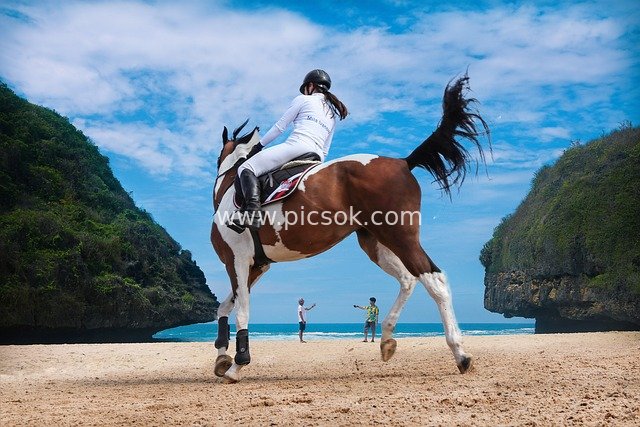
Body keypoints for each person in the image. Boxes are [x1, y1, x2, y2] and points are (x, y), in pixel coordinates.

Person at [232, 69, 349, 230]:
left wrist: (258, 147)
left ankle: (252, 212)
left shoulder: (302, 99)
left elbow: (279, 127)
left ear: (310, 86)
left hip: (297, 145)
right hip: (316, 156)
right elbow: (325, 149)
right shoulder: (332, 115)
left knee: (246, 168)